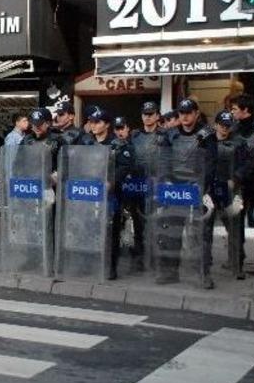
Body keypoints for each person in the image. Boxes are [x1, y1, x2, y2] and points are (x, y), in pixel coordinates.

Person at [158, 99, 217, 288]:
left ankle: (203, 273)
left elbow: (211, 163)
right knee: (171, 233)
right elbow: (164, 160)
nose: (185, 116)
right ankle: (170, 272)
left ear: (196, 113)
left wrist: (202, 186)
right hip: (175, 190)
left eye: (189, 112)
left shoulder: (207, 135)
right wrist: (166, 180)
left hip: (197, 189)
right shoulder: (171, 134)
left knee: (202, 235)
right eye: (181, 112)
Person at [83, 108, 135, 280]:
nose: (93, 125)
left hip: (110, 194)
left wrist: (111, 182)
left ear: (106, 124)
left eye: (97, 122)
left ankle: (110, 266)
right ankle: (92, 262)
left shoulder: (118, 144)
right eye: (91, 122)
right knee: (90, 229)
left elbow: (125, 166)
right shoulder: (87, 142)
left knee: (110, 231)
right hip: (90, 193)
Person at [125, 101, 163, 272]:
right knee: (138, 223)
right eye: (145, 114)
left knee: (157, 223)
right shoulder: (134, 136)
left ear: (157, 116)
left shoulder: (165, 136)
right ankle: (140, 257)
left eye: (151, 114)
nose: (148, 117)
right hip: (138, 185)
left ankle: (156, 258)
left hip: (157, 185)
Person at [210, 110, 246, 279]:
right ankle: (205, 262)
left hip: (232, 190)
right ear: (216, 124)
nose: (225, 128)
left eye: (228, 125)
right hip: (211, 188)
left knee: (234, 227)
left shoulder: (238, 143)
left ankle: (236, 264)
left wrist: (236, 179)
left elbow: (245, 164)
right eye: (222, 125)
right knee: (206, 227)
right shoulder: (207, 141)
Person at [230, 93, 254, 275]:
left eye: (234, 109)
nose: (232, 113)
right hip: (239, 183)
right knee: (236, 221)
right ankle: (238, 259)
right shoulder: (233, 129)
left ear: (245, 110)